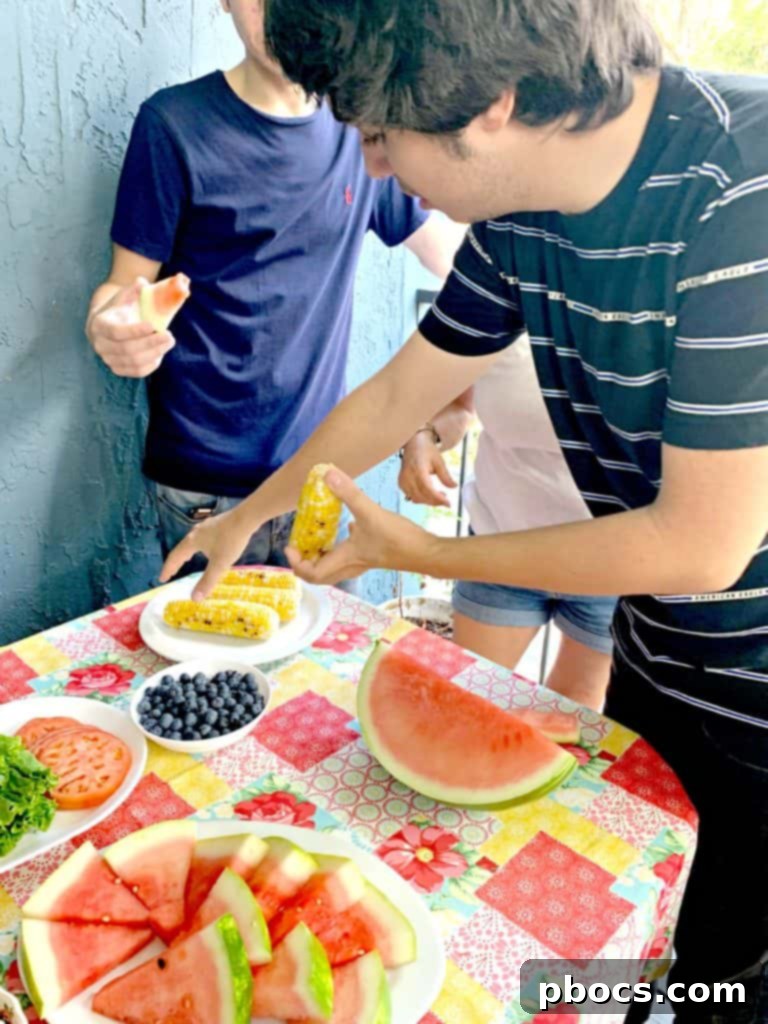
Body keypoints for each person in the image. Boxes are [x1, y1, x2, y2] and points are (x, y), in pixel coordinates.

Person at [161, 1, 768, 1019]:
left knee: (723, 975)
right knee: (647, 949)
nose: (381, 170)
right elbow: (398, 393)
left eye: (381, 138)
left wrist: (428, 548)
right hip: (661, 654)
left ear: (488, 108)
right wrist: (247, 514)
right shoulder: (517, 215)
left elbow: (702, 545)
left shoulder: (741, 193)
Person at [84, 0, 460, 578]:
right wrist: (107, 328)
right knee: (208, 666)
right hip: (199, 483)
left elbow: (462, 261)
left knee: (312, 661)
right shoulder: (171, 123)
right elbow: (121, 288)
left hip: (315, 473)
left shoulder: (361, 130)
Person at [398, 338, 617, 711]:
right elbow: (460, 407)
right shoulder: (501, 304)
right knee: (468, 700)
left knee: (573, 712)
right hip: (496, 546)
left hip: (611, 563)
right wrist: (422, 435)